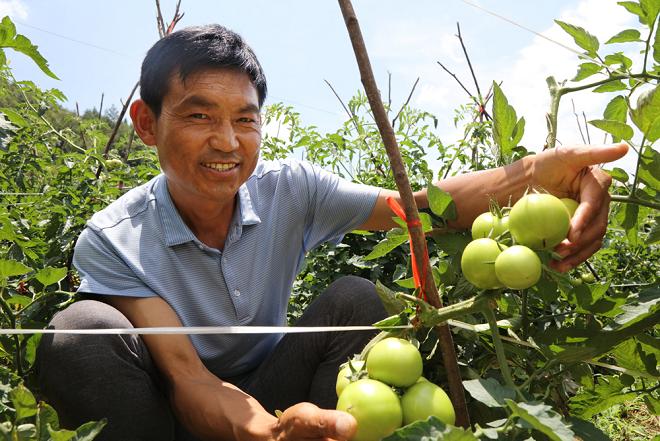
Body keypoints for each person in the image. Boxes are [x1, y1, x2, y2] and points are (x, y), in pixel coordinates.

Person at [36, 24, 628, 441]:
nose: (227, 142)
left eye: (245, 120)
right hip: (173, 408)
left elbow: (418, 210)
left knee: (359, 298)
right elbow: (187, 376)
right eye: (198, 115)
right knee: (82, 332)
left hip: (275, 388)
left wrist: (543, 175)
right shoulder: (113, 238)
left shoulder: (288, 189)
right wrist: (265, 432)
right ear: (146, 122)